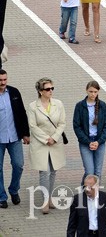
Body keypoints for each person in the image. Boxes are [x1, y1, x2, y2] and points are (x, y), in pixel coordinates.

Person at [27, 77, 66, 214]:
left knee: (53, 170)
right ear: (40, 91)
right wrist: (46, 138)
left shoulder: (58, 104)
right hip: (40, 143)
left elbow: (62, 123)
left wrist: (54, 137)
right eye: (47, 89)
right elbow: (32, 125)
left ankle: (49, 198)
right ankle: (45, 200)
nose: (51, 91)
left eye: (52, 88)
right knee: (44, 172)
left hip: (54, 142)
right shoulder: (33, 106)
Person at [0, 70, 29, 209]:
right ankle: (1, 196)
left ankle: (14, 190)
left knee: (18, 164)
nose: (3, 82)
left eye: (5, 79)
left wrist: (25, 133)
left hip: (14, 136)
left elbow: (22, 113)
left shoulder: (14, 92)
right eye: (0, 80)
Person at [73, 81, 106, 182]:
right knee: (89, 172)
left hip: (99, 142)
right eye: (90, 91)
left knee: (97, 172)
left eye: (95, 91)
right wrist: (88, 142)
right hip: (86, 142)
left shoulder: (103, 106)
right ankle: (84, 194)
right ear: (86, 91)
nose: (93, 94)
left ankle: (95, 195)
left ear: (98, 92)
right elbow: (77, 126)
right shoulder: (80, 106)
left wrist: (99, 142)